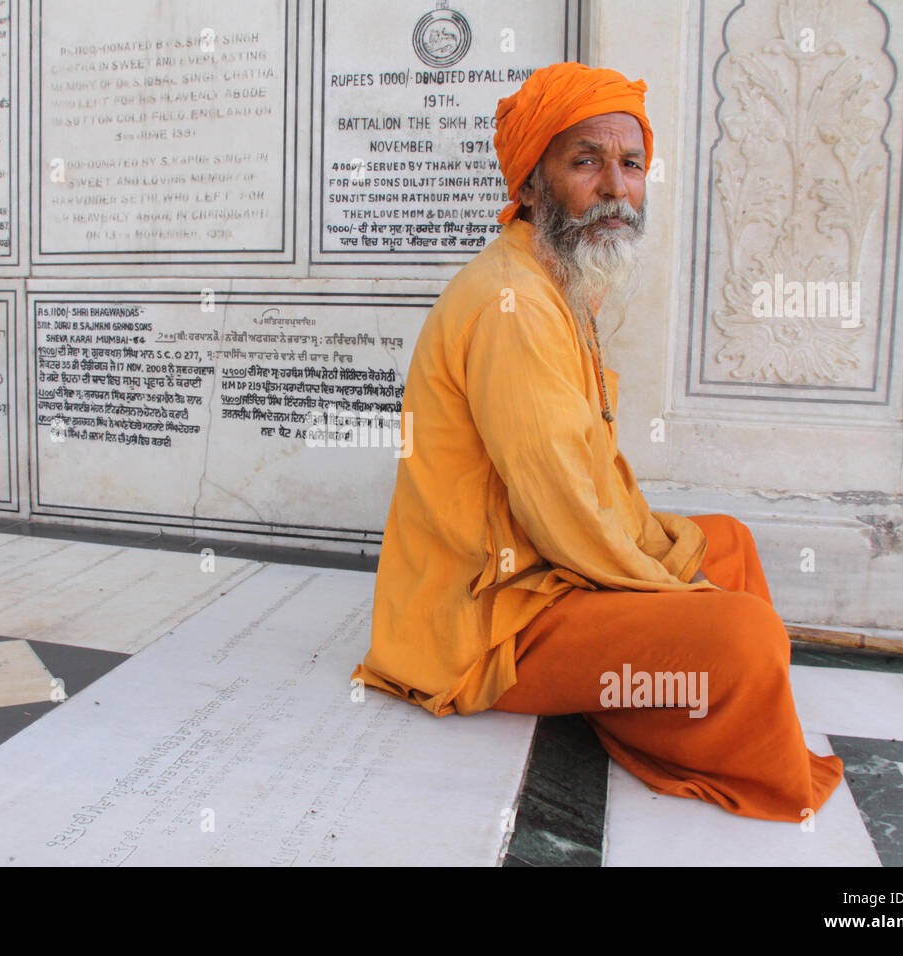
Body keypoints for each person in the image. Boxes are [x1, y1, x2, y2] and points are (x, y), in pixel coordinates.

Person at [350, 62, 843, 822]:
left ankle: (655, 692)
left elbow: (596, 471)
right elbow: (564, 512)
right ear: (532, 184)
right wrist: (677, 585)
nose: (616, 187)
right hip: (492, 618)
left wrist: (666, 550)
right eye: (586, 162)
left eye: (631, 164)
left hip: (549, 568)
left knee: (730, 544)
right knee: (741, 633)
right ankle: (668, 702)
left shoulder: (557, 278)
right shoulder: (513, 306)